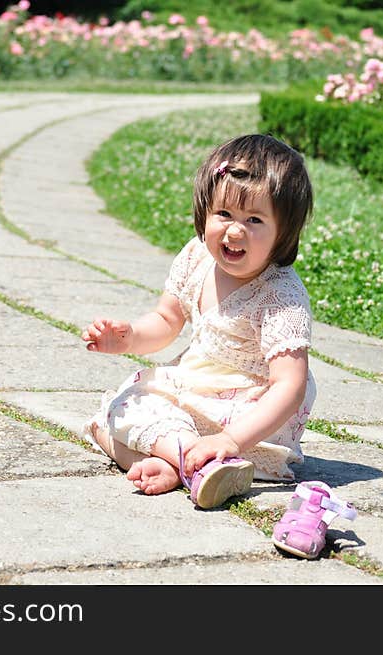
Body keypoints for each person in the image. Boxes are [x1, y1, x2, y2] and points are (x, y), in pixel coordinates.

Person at [81, 134, 316, 509]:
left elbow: (290, 385)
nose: (235, 230)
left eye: (254, 219)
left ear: (283, 234)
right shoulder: (197, 258)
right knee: (108, 418)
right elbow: (166, 319)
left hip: (247, 414)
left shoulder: (279, 296)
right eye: (224, 214)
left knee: (122, 424)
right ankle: (186, 465)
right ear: (205, 211)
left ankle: (200, 458)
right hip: (196, 390)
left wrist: (230, 441)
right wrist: (127, 338)